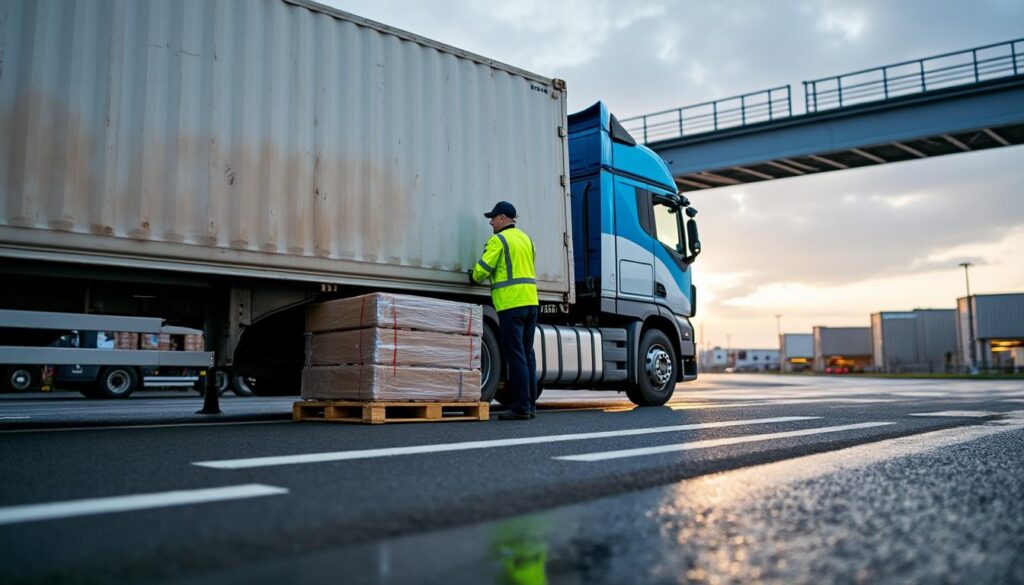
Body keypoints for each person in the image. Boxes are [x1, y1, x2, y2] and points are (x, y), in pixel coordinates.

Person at [469, 201, 539, 421]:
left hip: (511, 304)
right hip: (531, 302)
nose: (491, 222)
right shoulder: (526, 239)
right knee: (527, 354)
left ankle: (520, 408)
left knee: (515, 355)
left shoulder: (498, 240)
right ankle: (530, 406)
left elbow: (483, 269)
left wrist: (472, 276)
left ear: (502, 218)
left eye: (493, 218)